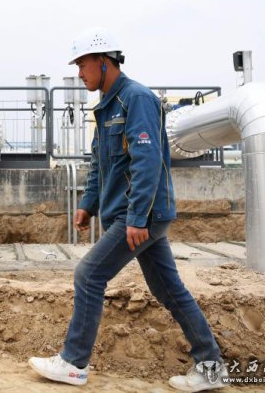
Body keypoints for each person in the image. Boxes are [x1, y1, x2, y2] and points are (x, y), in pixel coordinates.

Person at [28, 27, 228, 391]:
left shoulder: (136, 99)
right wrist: (88, 204)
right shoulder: (106, 106)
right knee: (169, 289)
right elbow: (100, 164)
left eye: (83, 64)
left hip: (141, 216)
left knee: (89, 275)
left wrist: (137, 218)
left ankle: (73, 363)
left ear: (105, 62)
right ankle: (211, 367)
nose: (79, 73)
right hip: (136, 215)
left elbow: (146, 161)